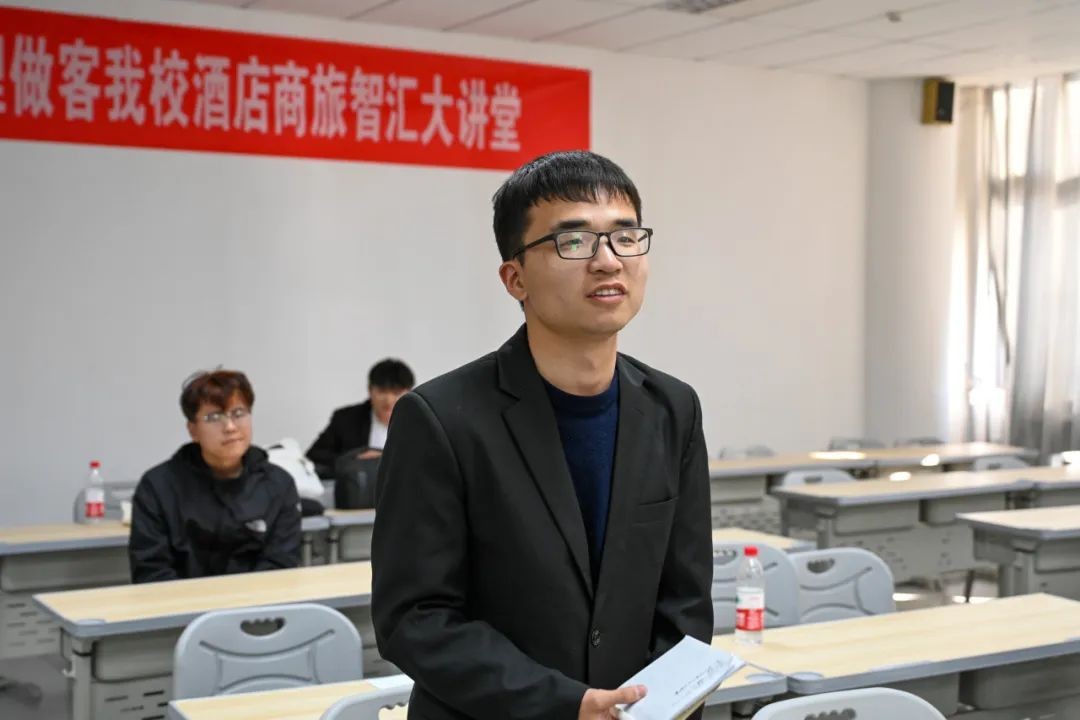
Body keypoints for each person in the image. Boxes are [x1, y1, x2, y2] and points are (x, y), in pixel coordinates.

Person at [372, 151, 713, 720]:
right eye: (573, 241)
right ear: (516, 278)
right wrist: (567, 705)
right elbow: (415, 619)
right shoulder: (440, 418)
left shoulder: (673, 409)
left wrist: (652, 709)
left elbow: (686, 603)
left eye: (626, 237)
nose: (608, 261)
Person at [128, 369, 301, 583]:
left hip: (259, 602)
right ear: (193, 430)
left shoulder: (278, 484)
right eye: (214, 417)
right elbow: (151, 571)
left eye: (239, 413)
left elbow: (281, 566)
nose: (230, 427)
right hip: (181, 602)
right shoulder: (158, 486)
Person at [306, 359, 414, 477]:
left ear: (409, 393)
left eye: (396, 393)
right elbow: (314, 456)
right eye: (382, 391)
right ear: (370, 390)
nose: (389, 400)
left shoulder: (420, 422)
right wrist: (355, 460)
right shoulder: (346, 418)